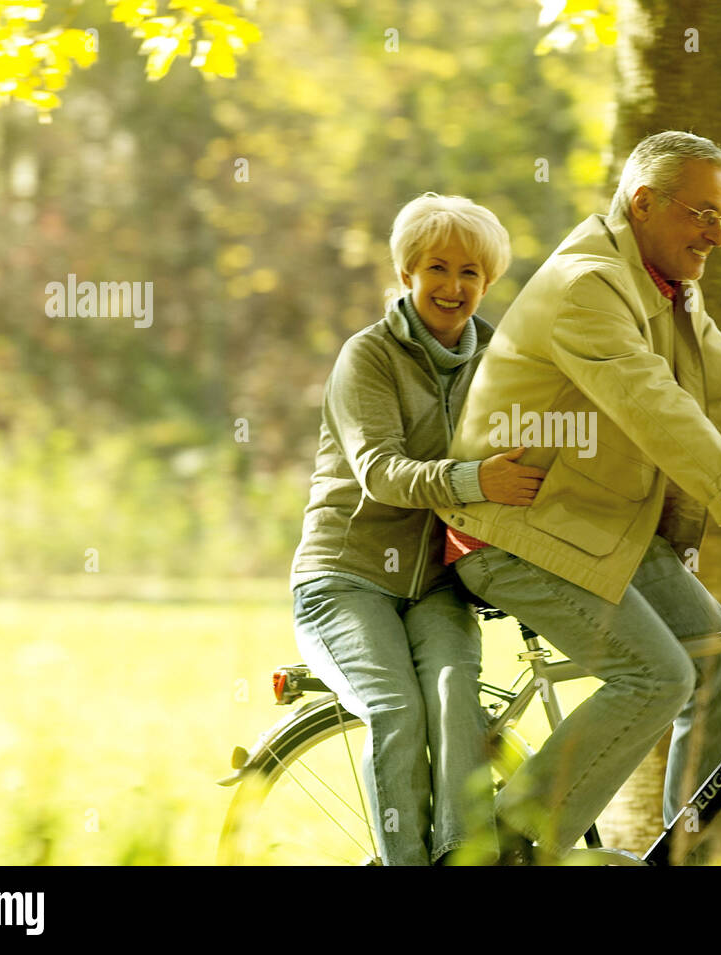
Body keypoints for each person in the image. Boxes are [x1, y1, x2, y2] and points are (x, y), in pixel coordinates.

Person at [439, 131, 721, 864]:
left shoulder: (672, 292)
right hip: (514, 529)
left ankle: (695, 856)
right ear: (643, 203)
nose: (715, 234)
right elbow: (653, 405)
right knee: (659, 673)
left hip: (596, 531)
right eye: (700, 213)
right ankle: (507, 846)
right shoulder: (587, 285)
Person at [289, 193, 546, 865]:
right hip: (345, 577)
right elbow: (380, 470)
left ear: (487, 284)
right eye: (437, 267)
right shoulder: (366, 357)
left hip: (438, 579)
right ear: (407, 273)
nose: (453, 286)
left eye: (470, 273)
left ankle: (463, 859)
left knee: (457, 701)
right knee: (396, 708)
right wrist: (475, 482)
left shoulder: (501, 359)